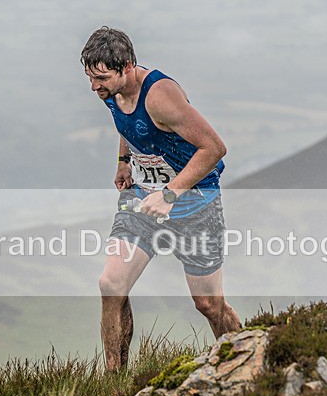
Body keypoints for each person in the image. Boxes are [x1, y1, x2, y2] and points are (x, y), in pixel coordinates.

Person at [81, 26, 241, 370]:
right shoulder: (112, 92)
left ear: (126, 66)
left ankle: (243, 359)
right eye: (90, 78)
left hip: (195, 202)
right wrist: (124, 162)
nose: (95, 87)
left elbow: (214, 149)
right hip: (141, 198)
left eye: (101, 78)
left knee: (208, 304)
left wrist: (170, 193)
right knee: (111, 283)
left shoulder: (161, 96)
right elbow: (127, 124)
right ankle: (114, 383)